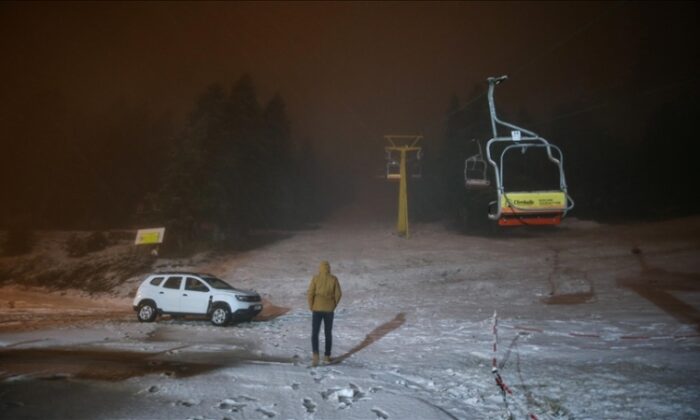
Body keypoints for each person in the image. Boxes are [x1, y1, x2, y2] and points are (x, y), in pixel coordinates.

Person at [307, 260, 342, 366]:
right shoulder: (333, 279)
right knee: (328, 333)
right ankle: (327, 356)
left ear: (320, 268)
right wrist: (333, 305)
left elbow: (310, 293)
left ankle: (315, 355)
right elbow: (339, 294)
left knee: (315, 333)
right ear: (329, 269)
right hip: (329, 310)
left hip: (317, 309)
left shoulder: (315, 278)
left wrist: (311, 306)